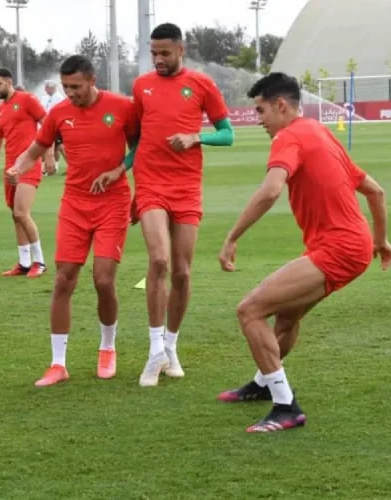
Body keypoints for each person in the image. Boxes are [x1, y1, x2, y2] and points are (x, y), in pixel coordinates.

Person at [216, 73, 391, 433]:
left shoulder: (288, 137)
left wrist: (232, 237)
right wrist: (380, 240)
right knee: (286, 317)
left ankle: (286, 406)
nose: (258, 119)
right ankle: (264, 383)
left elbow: (270, 191)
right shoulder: (318, 131)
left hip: (338, 249)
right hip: (352, 245)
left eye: (261, 110)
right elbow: (375, 191)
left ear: (281, 106)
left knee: (250, 310)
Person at [6, 55, 138, 387]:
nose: (70, 93)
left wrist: (119, 171)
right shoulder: (59, 113)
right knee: (64, 280)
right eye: (65, 87)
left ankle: (107, 348)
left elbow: (140, 147)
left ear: (92, 80)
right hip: (75, 205)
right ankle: (57, 364)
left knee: (103, 280)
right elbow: (36, 150)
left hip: (113, 202)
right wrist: (18, 167)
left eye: (76, 86)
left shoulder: (122, 107)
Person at [132, 23, 235, 387]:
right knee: (158, 261)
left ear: (181, 50)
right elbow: (138, 137)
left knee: (182, 273)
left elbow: (228, 134)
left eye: (165, 53)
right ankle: (154, 352)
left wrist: (195, 137)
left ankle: (171, 347)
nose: (158, 59)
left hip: (187, 187)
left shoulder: (202, 84)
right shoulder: (141, 86)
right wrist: (122, 171)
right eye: (153, 53)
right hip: (150, 183)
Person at [0, 67, 47, 278]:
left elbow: (47, 124)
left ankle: (40, 261)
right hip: (10, 168)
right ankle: (24, 262)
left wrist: (47, 154)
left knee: (21, 212)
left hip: (29, 164)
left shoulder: (27, 100)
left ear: (9, 83)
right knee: (15, 215)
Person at [39, 80, 67, 175]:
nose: (46, 89)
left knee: (59, 146)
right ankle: (48, 167)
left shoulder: (59, 98)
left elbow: (61, 112)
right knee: (49, 146)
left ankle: (69, 166)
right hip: (46, 125)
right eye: (46, 87)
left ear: (53, 88)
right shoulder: (44, 97)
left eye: (47, 87)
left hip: (56, 125)